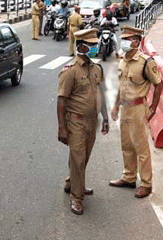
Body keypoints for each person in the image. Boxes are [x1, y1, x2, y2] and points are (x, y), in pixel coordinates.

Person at [57, 28, 109, 215]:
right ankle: (77, 197)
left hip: (92, 121)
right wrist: (62, 128)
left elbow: (101, 93)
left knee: (84, 156)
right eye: (92, 45)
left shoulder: (96, 69)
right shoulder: (69, 71)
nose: (95, 47)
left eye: (96, 44)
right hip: (76, 121)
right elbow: (61, 100)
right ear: (81, 47)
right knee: (78, 158)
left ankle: (73, 182)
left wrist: (105, 117)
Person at [109, 26, 163, 199]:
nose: (124, 42)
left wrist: (153, 108)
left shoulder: (146, 62)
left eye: (128, 39)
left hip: (138, 108)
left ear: (137, 41)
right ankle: (129, 177)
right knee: (126, 145)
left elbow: (158, 84)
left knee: (141, 148)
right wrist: (116, 105)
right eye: (123, 38)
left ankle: (146, 183)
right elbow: (121, 85)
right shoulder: (123, 59)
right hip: (125, 108)